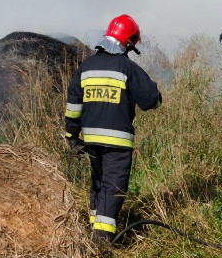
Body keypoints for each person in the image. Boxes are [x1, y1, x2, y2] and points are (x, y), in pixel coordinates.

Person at [65, 14, 162, 245]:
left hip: (90, 141)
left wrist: (71, 135)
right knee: (112, 188)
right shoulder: (127, 68)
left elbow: (73, 107)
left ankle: (91, 233)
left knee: (98, 184)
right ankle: (100, 244)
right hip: (117, 144)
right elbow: (151, 100)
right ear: (127, 42)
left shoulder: (85, 68)